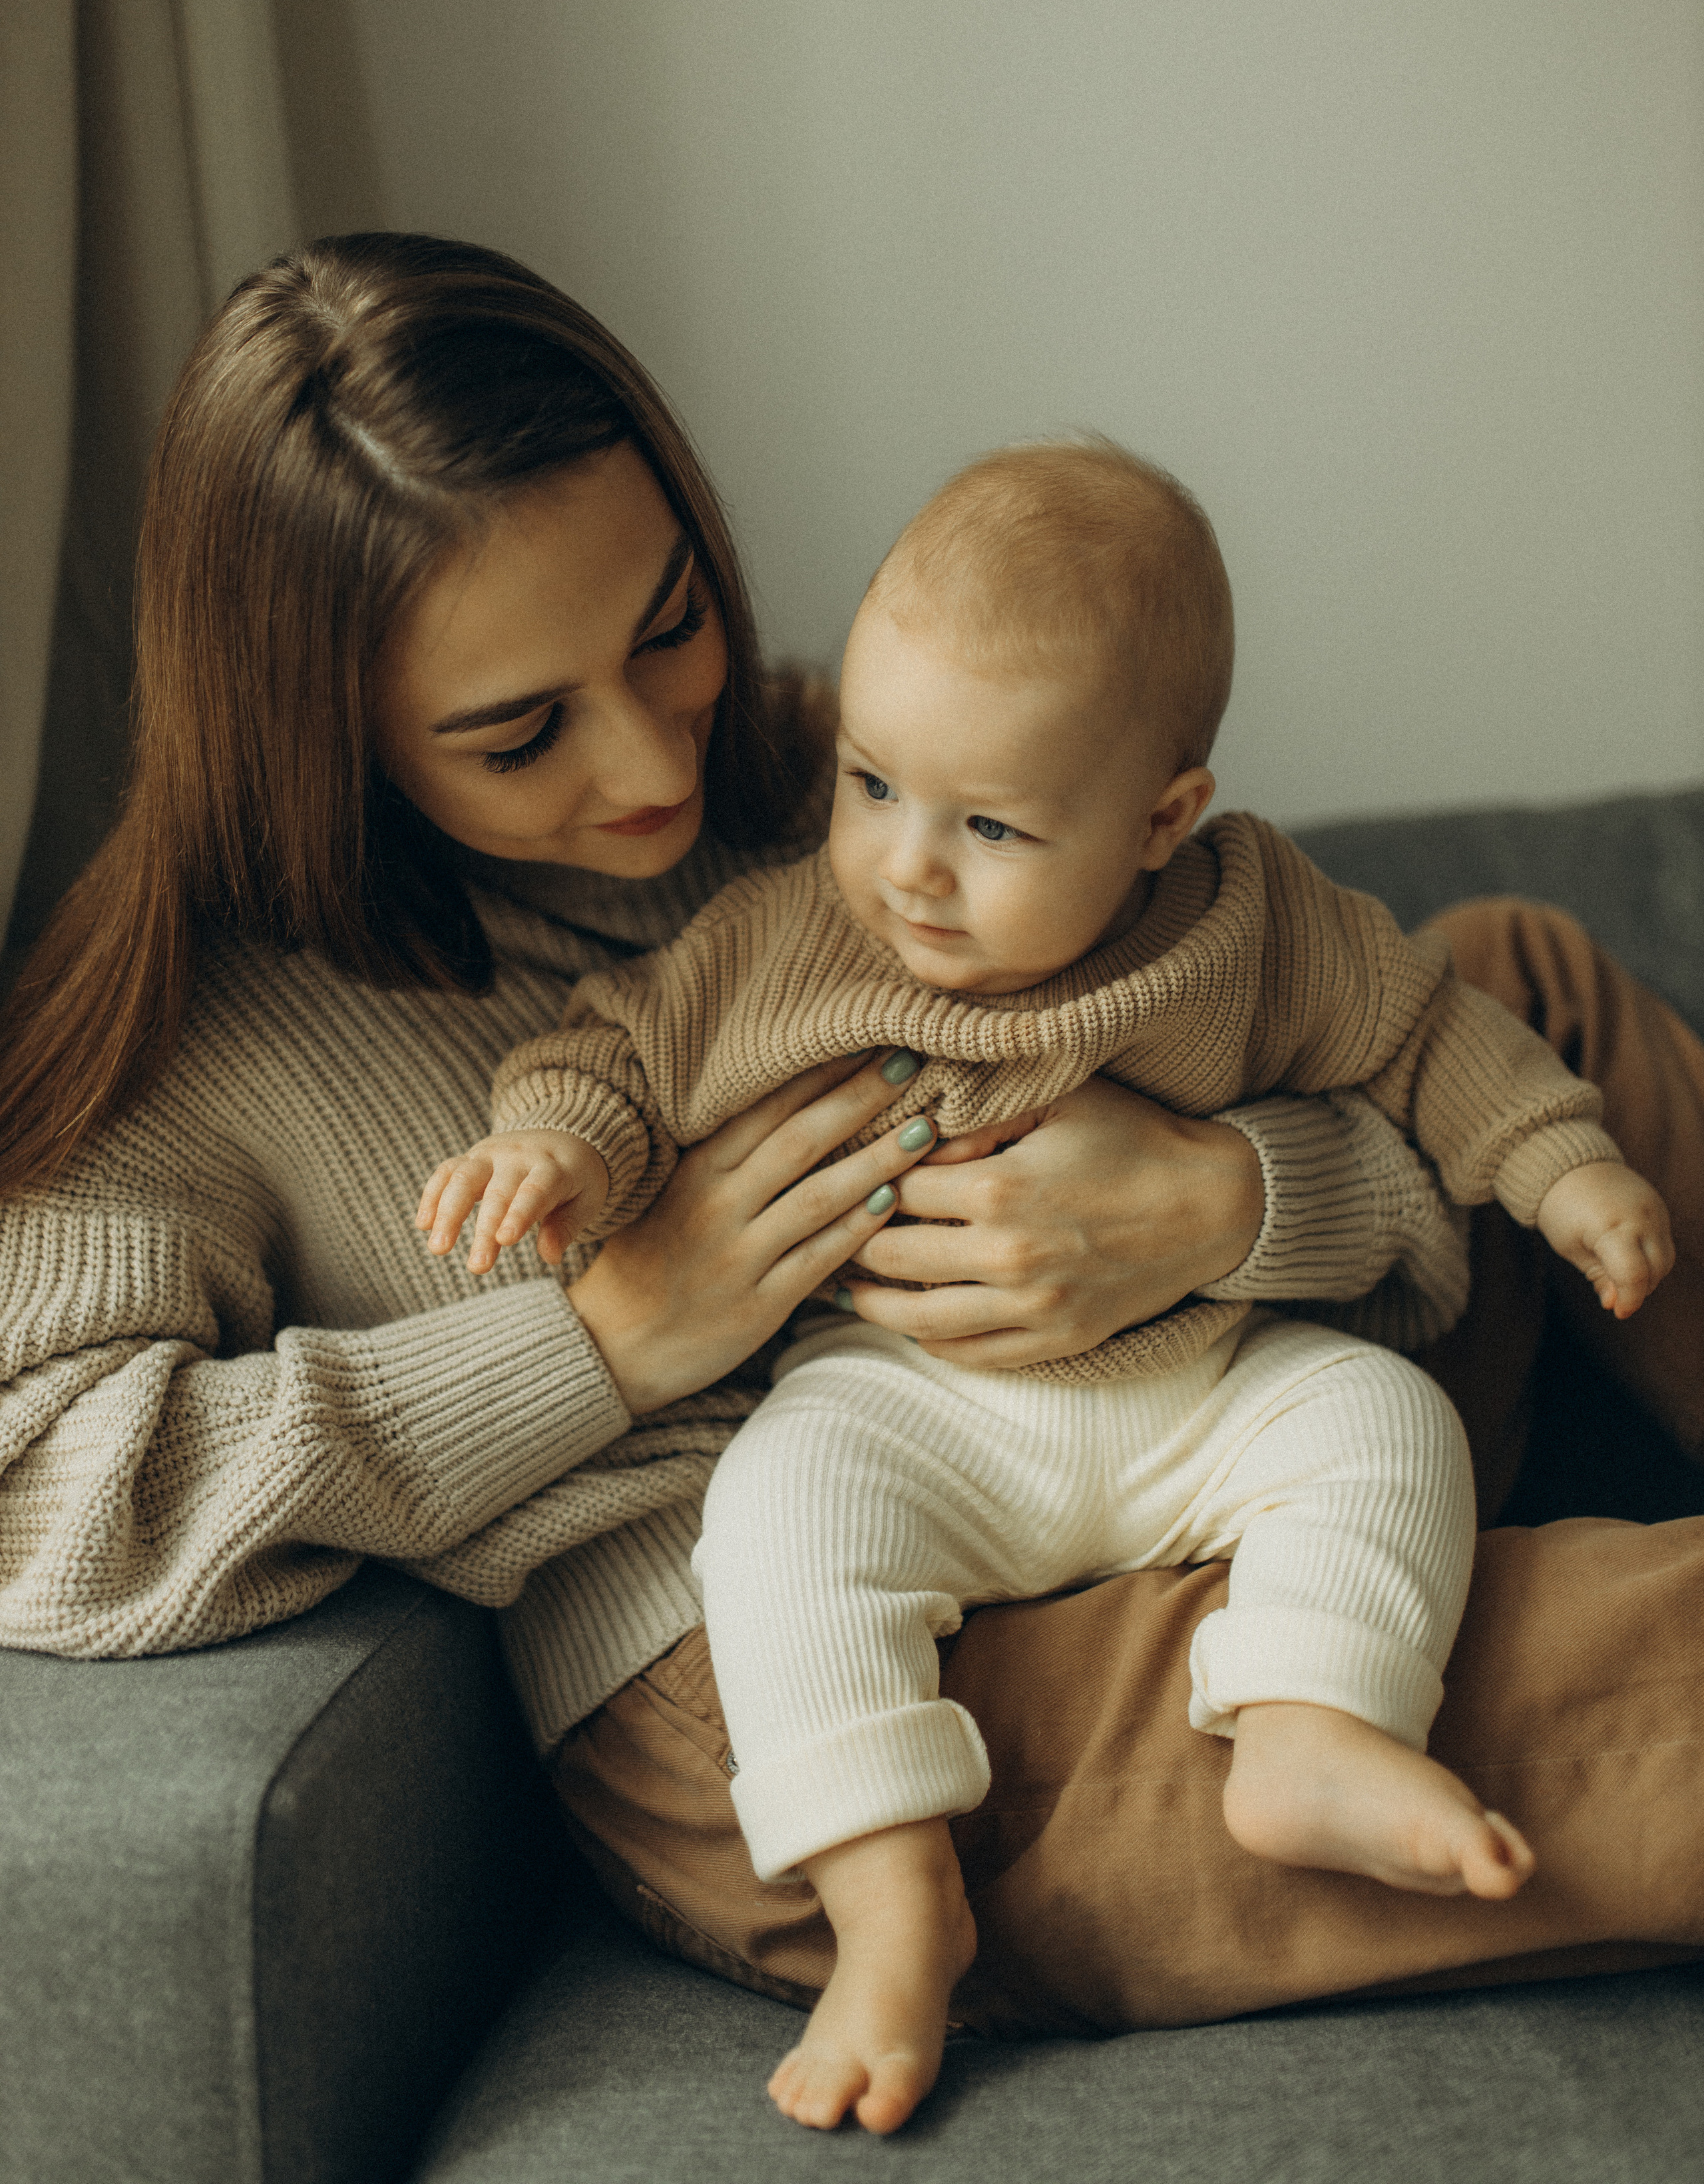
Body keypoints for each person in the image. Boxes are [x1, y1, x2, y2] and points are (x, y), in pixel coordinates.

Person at [0, 235, 1700, 2094]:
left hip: (1176, 1428)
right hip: (813, 1663)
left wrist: (1234, 1203)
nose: (653, 764)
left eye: (669, 626)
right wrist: (605, 1344)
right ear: (319, 730)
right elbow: (38, 1497)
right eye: (520, 734)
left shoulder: (840, 774)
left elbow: (1295, 1007)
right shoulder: (186, 1033)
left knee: (1511, 978)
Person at [421, 439, 1671, 2131]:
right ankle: (890, 1901)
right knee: (780, 1514)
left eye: (988, 825)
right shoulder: (790, 937)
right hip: (912, 1412)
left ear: (1162, 818)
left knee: (1375, 1419)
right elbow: (620, 1053)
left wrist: (1560, 1169)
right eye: (870, 788)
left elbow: (1429, 1034)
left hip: (1199, 1387)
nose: (907, 866)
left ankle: (1312, 1718)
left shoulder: (1251, 921)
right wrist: (555, 1149)